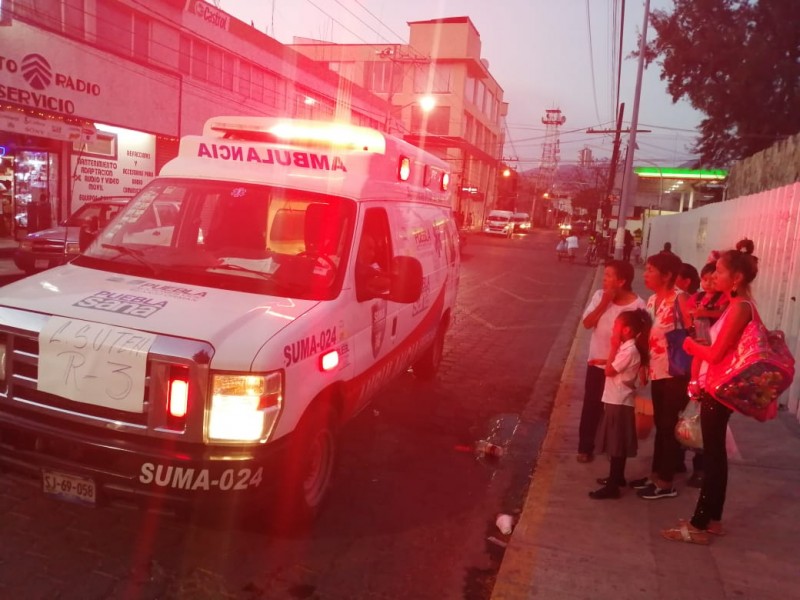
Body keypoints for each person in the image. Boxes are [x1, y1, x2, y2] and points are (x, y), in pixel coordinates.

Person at [661, 239, 759, 544]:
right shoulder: (733, 305)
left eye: (718, 271)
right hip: (713, 387)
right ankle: (711, 521)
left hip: (718, 391)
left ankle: (699, 525)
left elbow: (715, 354)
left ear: (737, 277)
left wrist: (689, 346)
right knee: (716, 456)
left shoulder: (741, 307)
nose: (714, 276)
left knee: (714, 458)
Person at [629, 251, 693, 500]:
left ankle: (666, 482)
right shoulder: (654, 300)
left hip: (676, 373)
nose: (645, 274)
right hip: (658, 371)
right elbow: (647, 335)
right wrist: (644, 364)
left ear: (667, 275)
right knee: (661, 424)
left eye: (650, 270)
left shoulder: (681, 299)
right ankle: (656, 475)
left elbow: (697, 333)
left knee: (668, 426)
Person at [576, 260, 647, 463]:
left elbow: (643, 340)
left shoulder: (638, 306)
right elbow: (587, 323)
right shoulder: (599, 296)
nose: (604, 279)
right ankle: (586, 446)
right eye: (604, 275)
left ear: (622, 280)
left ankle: (613, 451)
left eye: (608, 276)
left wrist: (642, 368)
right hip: (597, 365)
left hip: (622, 369)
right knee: (592, 405)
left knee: (616, 411)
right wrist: (604, 303)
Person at [589, 308, 652, 499]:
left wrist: (614, 347)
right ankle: (617, 477)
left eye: (617, 326)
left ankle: (614, 486)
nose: (613, 329)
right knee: (618, 442)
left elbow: (609, 371)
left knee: (616, 444)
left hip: (618, 400)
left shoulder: (628, 350)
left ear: (627, 330)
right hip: (618, 399)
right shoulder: (628, 349)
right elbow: (614, 365)